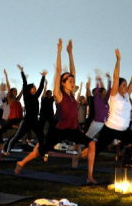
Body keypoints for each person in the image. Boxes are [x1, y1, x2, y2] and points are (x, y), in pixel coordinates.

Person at [15, 39, 97, 184]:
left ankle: (90, 176)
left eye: (73, 81)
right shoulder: (59, 95)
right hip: (58, 130)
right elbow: (59, 71)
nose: (73, 83)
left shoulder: (72, 94)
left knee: (92, 144)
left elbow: (73, 71)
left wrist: (70, 53)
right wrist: (59, 52)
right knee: (41, 151)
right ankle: (21, 162)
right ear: (62, 83)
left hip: (72, 130)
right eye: (69, 81)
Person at [95, 50, 132, 174]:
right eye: (124, 85)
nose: (126, 87)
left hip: (124, 130)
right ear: (118, 87)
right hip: (110, 129)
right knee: (96, 150)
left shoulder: (126, 96)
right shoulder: (114, 96)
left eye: (126, 85)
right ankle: (79, 157)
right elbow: (116, 77)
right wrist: (118, 60)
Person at [6, 65, 47, 153]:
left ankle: (42, 151)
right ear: (30, 89)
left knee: (41, 136)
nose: (35, 88)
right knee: (18, 136)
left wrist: (43, 77)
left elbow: (41, 87)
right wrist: (22, 72)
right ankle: (8, 149)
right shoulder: (26, 96)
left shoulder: (36, 96)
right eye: (33, 87)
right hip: (27, 120)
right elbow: (25, 83)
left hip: (35, 120)